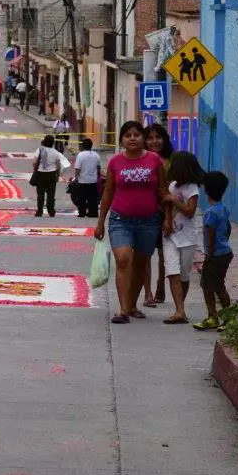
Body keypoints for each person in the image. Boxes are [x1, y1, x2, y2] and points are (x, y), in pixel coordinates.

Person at [95, 120, 166, 324]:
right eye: (128, 135)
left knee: (141, 264)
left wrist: (168, 219)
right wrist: (100, 222)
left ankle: (132, 304)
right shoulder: (115, 162)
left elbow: (162, 192)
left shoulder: (154, 160)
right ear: (122, 140)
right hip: (120, 220)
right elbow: (108, 193)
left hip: (149, 221)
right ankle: (122, 309)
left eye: (136, 134)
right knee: (124, 259)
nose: (132, 138)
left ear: (143, 138)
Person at [160, 151, 205, 324]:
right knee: (172, 272)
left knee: (184, 276)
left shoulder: (192, 188)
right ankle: (179, 311)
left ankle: (181, 308)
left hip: (187, 237)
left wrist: (174, 199)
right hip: (170, 236)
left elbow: (189, 212)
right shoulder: (172, 186)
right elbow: (167, 208)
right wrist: (167, 220)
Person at [192, 171, 233, 330]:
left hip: (214, 255)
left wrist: (208, 255)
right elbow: (228, 228)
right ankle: (226, 318)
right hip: (225, 252)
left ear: (207, 189)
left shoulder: (210, 212)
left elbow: (210, 234)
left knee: (210, 286)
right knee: (217, 285)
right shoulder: (223, 208)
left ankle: (214, 317)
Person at [141, 123, 174, 306]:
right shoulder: (139, 160)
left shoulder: (172, 161)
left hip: (166, 213)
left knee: (164, 254)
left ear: (164, 139)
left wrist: (169, 215)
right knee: (145, 254)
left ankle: (161, 286)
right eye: (150, 138)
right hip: (145, 213)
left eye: (158, 137)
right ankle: (147, 293)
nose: (154, 141)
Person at [31, 134, 71, 217]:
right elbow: (58, 166)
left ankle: (39, 211)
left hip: (40, 174)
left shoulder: (40, 150)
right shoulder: (56, 153)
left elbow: (34, 162)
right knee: (51, 194)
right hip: (51, 174)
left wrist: (35, 170)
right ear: (53, 143)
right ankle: (51, 211)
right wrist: (57, 175)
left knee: (40, 194)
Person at [74, 137, 101, 217]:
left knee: (81, 198)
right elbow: (98, 167)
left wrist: (76, 178)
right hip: (93, 180)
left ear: (82, 146)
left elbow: (77, 168)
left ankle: (82, 213)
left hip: (83, 180)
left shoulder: (80, 155)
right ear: (91, 146)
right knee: (92, 198)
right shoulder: (96, 155)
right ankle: (93, 213)